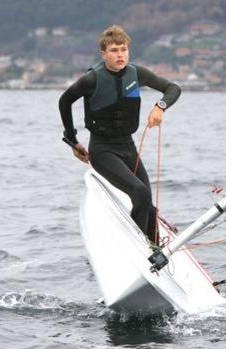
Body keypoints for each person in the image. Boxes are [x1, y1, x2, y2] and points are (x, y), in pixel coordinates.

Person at [58, 25, 181, 245]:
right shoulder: (92, 79)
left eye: (123, 49)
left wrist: (160, 107)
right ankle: (133, 246)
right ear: (104, 54)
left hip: (128, 147)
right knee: (140, 192)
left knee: (147, 203)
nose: (120, 54)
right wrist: (73, 142)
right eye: (114, 50)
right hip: (103, 149)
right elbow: (64, 101)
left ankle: (153, 247)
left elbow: (172, 88)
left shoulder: (137, 73)